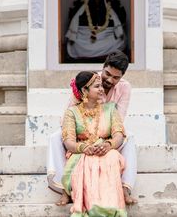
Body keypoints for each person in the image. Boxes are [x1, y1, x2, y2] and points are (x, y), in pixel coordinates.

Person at [48, 51, 137, 205]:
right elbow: (70, 114)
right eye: (107, 74)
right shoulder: (88, 80)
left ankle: (125, 188)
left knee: (129, 136)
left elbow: (119, 120)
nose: (109, 80)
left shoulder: (125, 88)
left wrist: (107, 142)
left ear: (121, 77)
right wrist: (83, 141)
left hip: (107, 130)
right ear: (103, 67)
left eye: (116, 77)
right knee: (55, 137)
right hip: (81, 131)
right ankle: (64, 189)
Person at [57, 70, 128, 216]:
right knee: (88, 163)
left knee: (113, 157)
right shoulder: (72, 112)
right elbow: (68, 141)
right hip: (81, 152)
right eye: (97, 86)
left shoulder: (110, 109)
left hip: (106, 150)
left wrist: (109, 145)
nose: (102, 89)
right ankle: (94, 207)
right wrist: (84, 148)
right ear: (84, 90)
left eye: (101, 85)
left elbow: (119, 135)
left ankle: (113, 208)